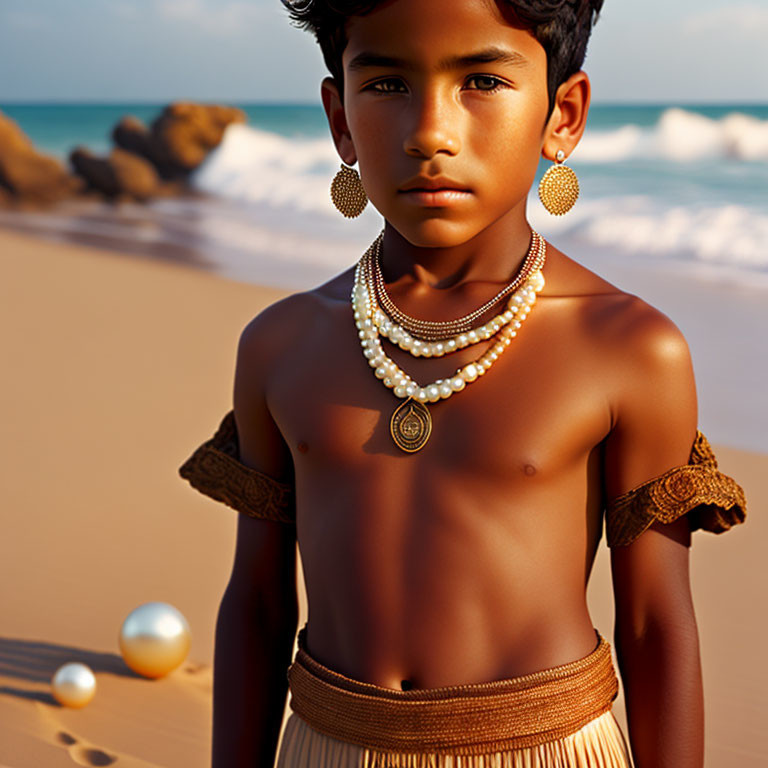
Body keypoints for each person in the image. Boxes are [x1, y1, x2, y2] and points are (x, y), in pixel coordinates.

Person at [178, 1, 748, 766]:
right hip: (321, 746)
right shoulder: (281, 346)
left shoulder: (629, 349)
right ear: (339, 120)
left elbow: (656, 625)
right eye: (385, 85)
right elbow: (255, 603)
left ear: (563, 115)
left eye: (481, 79)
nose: (430, 133)